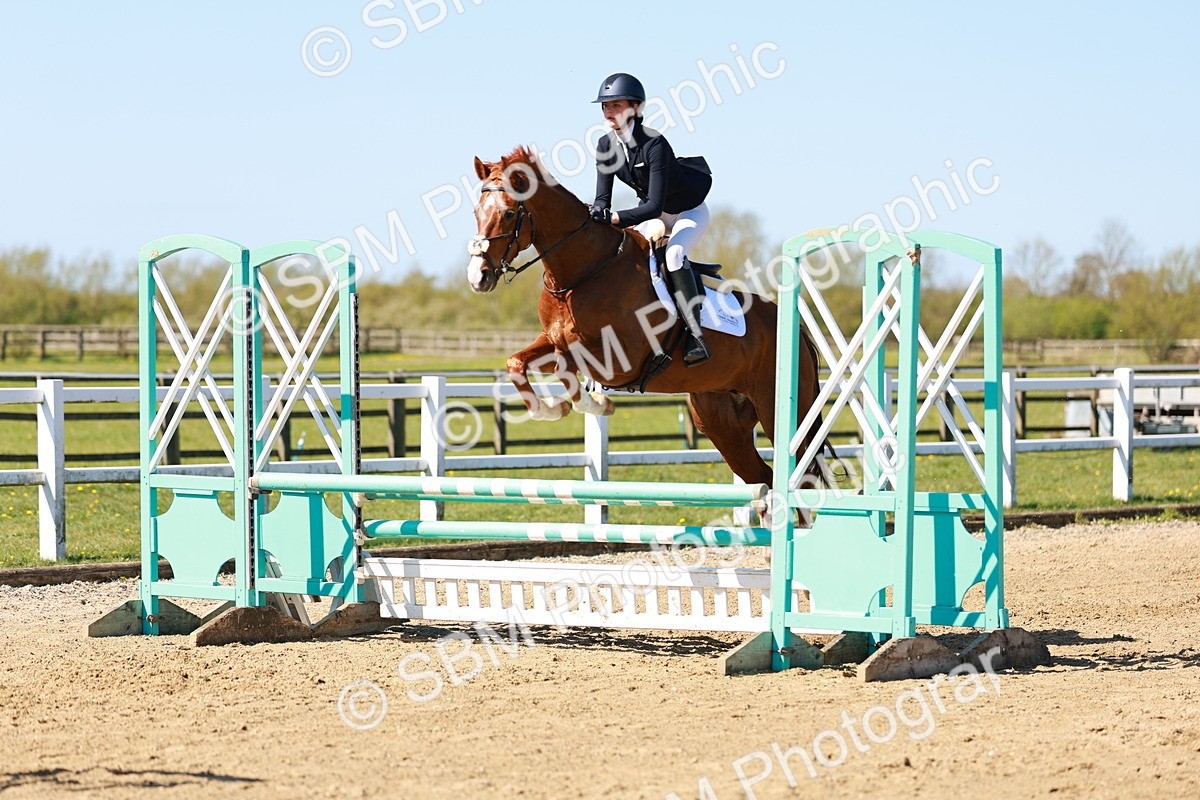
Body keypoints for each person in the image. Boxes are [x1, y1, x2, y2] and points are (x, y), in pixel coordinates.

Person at [589, 72, 714, 366]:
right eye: (606, 106)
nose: (609, 112)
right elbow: (602, 200)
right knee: (626, 253)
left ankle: (696, 336)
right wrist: (595, 213)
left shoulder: (655, 145)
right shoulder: (606, 146)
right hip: (654, 214)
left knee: (673, 255)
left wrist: (616, 217)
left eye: (616, 105)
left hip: (688, 211)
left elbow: (653, 204)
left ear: (635, 108)